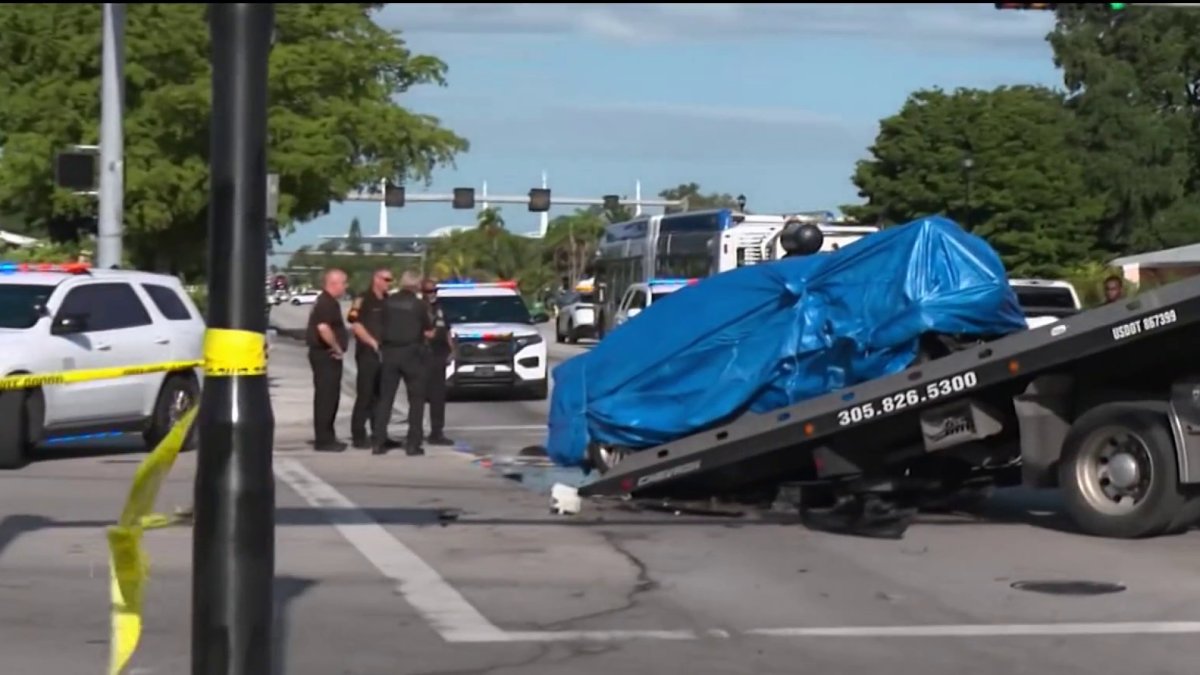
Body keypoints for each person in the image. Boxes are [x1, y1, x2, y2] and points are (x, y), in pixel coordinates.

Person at [372, 270, 433, 456]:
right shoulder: (419, 305)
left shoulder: (387, 302)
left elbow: (379, 325)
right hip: (412, 353)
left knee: (386, 398)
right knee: (416, 400)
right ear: (416, 286)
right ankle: (413, 443)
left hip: (390, 352)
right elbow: (428, 329)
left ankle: (378, 441)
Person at [347, 268, 401, 450]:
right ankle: (358, 435)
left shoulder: (388, 301)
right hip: (368, 354)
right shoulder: (363, 299)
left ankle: (379, 435)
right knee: (366, 395)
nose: (389, 283)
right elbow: (354, 323)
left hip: (386, 354)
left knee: (381, 397)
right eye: (386, 279)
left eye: (390, 280)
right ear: (376, 279)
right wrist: (371, 342)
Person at [305, 268, 349, 452]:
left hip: (326, 355)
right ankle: (324, 440)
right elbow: (323, 328)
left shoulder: (329, 302)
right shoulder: (326, 303)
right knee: (326, 398)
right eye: (344, 283)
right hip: (325, 356)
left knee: (331, 397)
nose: (346, 287)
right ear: (333, 284)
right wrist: (336, 348)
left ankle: (328, 436)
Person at [421, 277, 455, 446]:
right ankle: (416, 432)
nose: (432, 294)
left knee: (438, 397)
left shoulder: (441, 308)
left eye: (434, 291)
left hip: (439, 355)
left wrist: (452, 350)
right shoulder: (419, 308)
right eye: (428, 291)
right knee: (419, 396)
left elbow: (447, 329)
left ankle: (437, 432)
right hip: (423, 356)